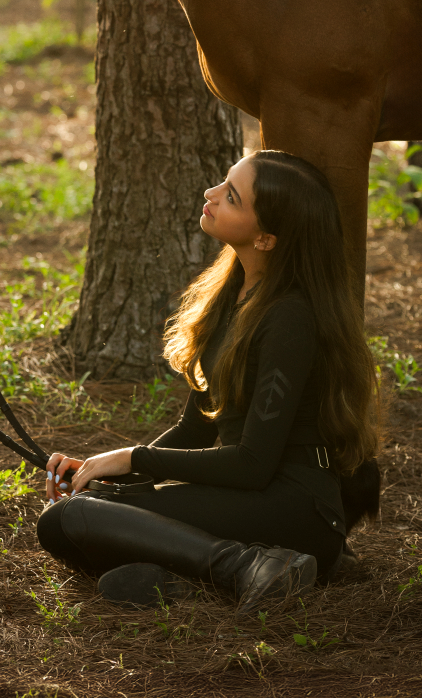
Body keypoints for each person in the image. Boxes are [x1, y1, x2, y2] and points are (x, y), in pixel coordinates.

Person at [37, 150, 380, 612]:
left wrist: (132, 457)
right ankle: (191, 576)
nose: (211, 194)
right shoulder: (234, 296)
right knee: (89, 504)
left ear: (266, 238)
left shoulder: (290, 317)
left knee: (70, 518)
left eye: (232, 196)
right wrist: (107, 473)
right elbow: (195, 429)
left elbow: (253, 464)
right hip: (250, 495)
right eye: (223, 183)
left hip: (294, 506)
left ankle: (247, 566)